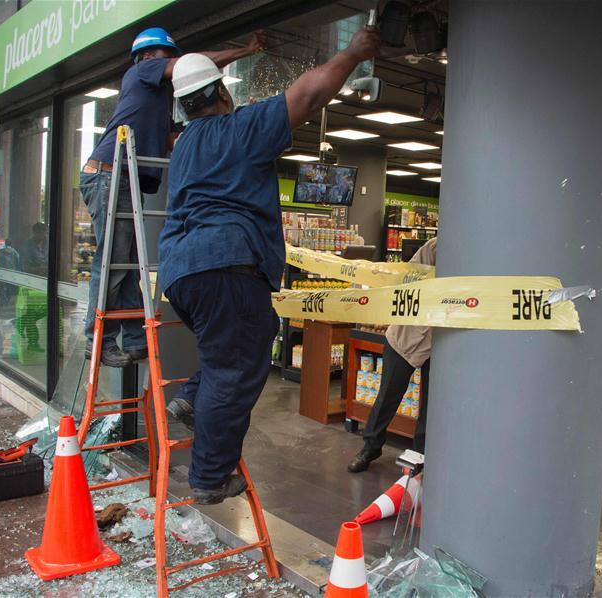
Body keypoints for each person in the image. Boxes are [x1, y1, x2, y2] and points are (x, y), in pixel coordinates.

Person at [159, 27, 380, 504]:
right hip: (227, 264)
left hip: (181, 273)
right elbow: (309, 94)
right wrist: (353, 52)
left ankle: (191, 399)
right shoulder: (238, 129)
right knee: (236, 368)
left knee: (234, 348)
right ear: (221, 93)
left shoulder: (185, 146)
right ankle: (209, 477)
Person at [80, 27, 266, 367]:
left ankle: (134, 338)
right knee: (112, 263)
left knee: (127, 264)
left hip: (123, 179)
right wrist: (244, 51)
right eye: (171, 59)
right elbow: (192, 64)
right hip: (109, 175)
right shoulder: (141, 71)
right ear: (150, 56)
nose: (176, 69)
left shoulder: (158, 101)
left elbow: (173, 140)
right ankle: (98, 341)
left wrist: (231, 124)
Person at [348, 237, 436, 473]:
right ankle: (370, 446)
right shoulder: (435, 247)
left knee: (431, 403)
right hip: (405, 337)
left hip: (438, 342)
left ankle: (419, 454)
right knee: (388, 395)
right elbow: (409, 278)